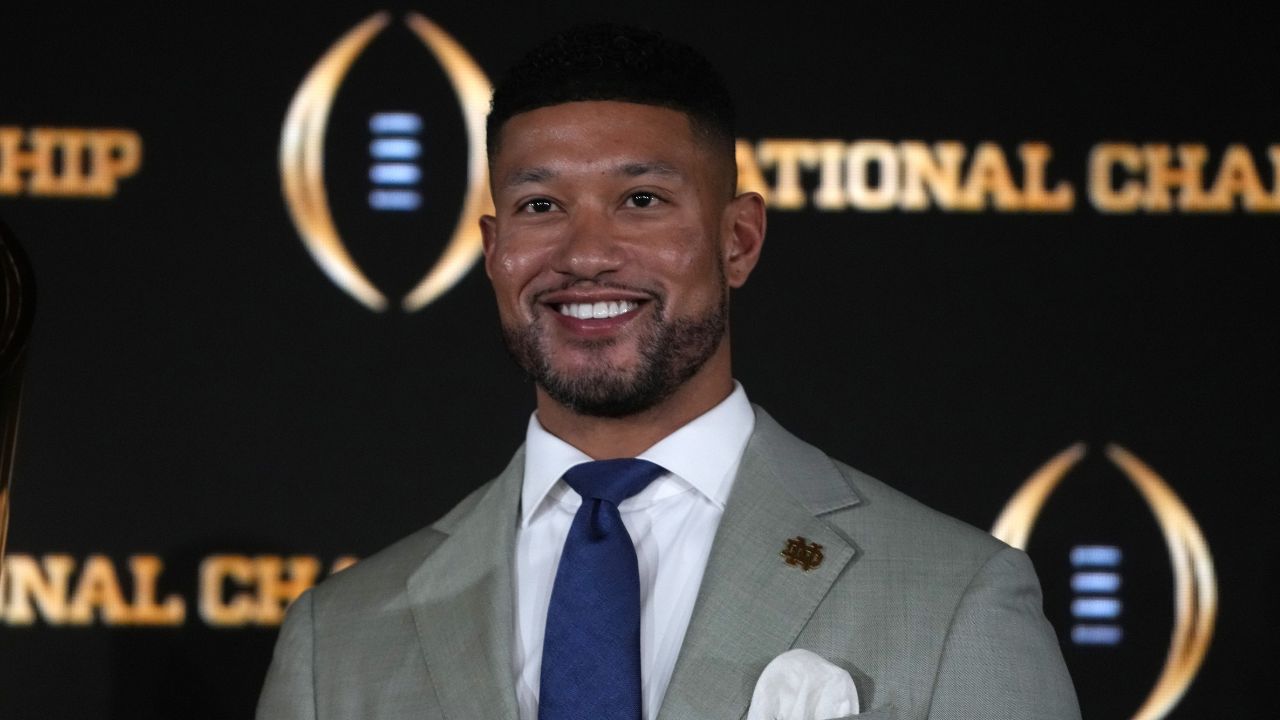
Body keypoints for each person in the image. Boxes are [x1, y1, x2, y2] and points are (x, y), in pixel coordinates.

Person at [257, 23, 1081, 720]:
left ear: (738, 240)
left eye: (642, 200)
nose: (585, 255)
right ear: (494, 251)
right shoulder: (339, 641)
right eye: (540, 206)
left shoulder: (953, 595)